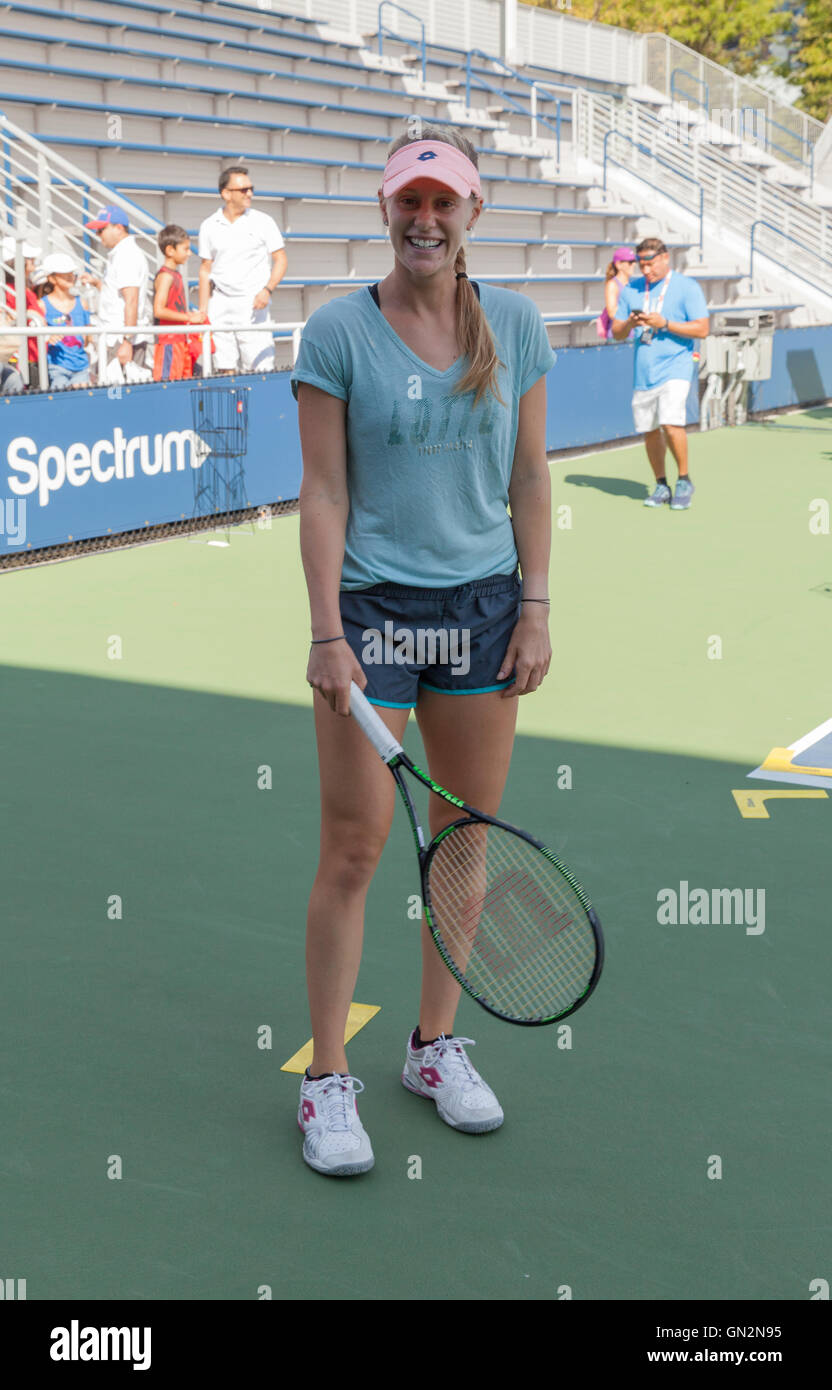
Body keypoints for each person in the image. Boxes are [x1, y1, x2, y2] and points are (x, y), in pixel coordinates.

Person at [290, 122, 556, 1177]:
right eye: (410, 201)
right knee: (355, 849)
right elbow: (320, 490)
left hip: (486, 609)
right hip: (373, 614)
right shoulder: (336, 335)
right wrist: (324, 631)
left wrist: (534, 605)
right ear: (386, 211)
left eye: (444, 203)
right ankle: (324, 1080)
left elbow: (531, 476)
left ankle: (432, 1048)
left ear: (471, 214)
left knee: (462, 838)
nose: (425, 219)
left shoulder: (520, 327)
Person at [612, 237, 710, 509]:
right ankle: (661, 484)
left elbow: (702, 328)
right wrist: (630, 322)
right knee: (651, 429)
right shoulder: (631, 289)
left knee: (670, 421)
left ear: (665, 258)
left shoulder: (687, 287)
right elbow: (617, 333)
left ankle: (684, 479)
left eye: (650, 264)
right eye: (641, 264)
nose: (645, 270)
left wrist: (664, 323)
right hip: (644, 371)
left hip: (676, 367)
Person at [197, 166, 287, 374]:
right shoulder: (209, 225)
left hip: (253, 304)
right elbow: (205, 269)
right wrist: (203, 310)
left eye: (251, 188)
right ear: (226, 194)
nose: (250, 193)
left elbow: (280, 259)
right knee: (223, 368)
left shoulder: (263, 221)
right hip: (220, 304)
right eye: (243, 189)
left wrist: (268, 290)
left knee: (260, 369)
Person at [81, 205, 151, 377]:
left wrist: (127, 341)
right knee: (115, 394)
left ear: (119, 228)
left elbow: (131, 299)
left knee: (120, 396)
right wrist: (98, 283)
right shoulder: (121, 253)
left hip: (120, 339)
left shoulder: (126, 254)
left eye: (101, 229)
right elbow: (120, 294)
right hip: (116, 337)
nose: (98, 235)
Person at [152, 224, 208, 381]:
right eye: (185, 249)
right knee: (168, 386)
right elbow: (159, 310)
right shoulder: (165, 276)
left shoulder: (176, 275)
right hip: (168, 342)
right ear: (170, 250)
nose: (189, 253)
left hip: (180, 340)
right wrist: (189, 318)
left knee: (184, 385)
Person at [39, 252, 93, 389]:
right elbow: (39, 335)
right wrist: (48, 337)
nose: (70, 276)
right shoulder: (43, 305)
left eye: (72, 273)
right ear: (52, 278)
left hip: (81, 365)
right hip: (56, 366)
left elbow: (88, 338)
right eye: (64, 273)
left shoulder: (82, 302)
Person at [2, 236, 46, 388]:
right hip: (22, 357)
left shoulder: (24, 290)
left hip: (33, 355)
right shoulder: (10, 291)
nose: (33, 262)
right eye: (29, 259)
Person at [597, 246, 636, 341]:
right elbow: (612, 312)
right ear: (618, 264)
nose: (634, 265)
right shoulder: (613, 285)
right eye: (630, 262)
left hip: (632, 336)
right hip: (618, 338)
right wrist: (633, 317)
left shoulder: (632, 285)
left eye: (634, 262)